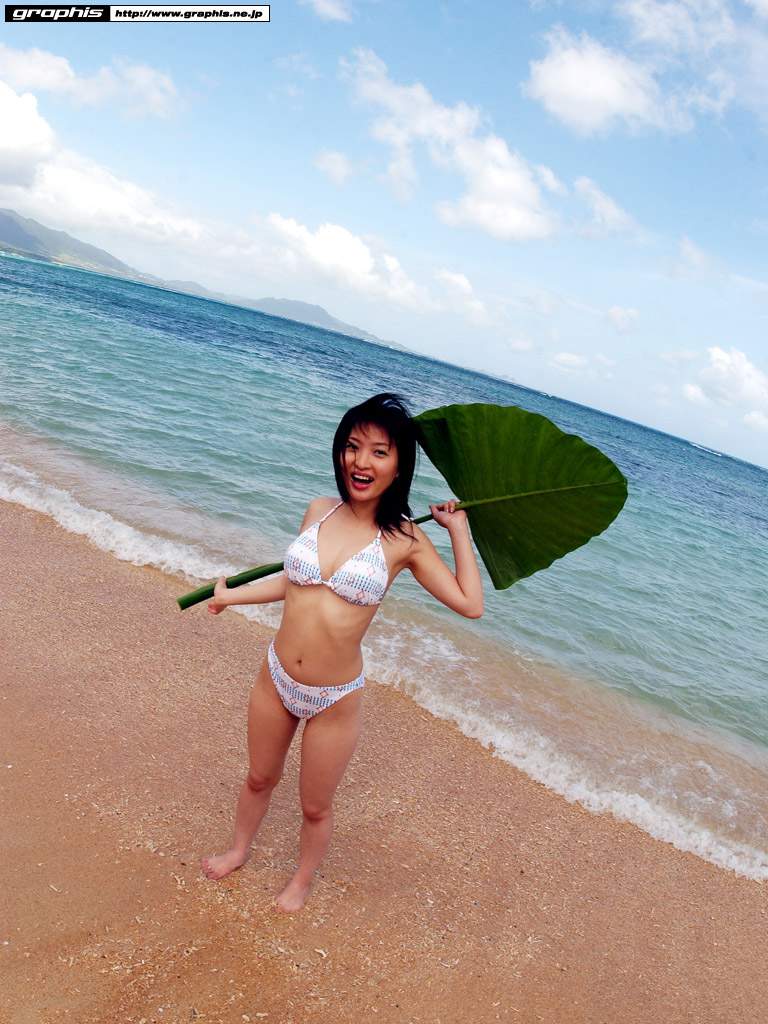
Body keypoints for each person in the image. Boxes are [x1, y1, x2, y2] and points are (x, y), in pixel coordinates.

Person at [201, 393, 483, 911]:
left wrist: (458, 531)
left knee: (315, 806)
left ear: (399, 465)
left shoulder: (405, 540)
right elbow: (295, 583)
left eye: (379, 451)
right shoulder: (319, 510)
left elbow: (470, 604)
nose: (361, 461)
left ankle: (301, 881)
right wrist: (230, 597)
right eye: (352, 446)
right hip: (276, 676)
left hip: (334, 697)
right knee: (259, 777)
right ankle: (238, 850)